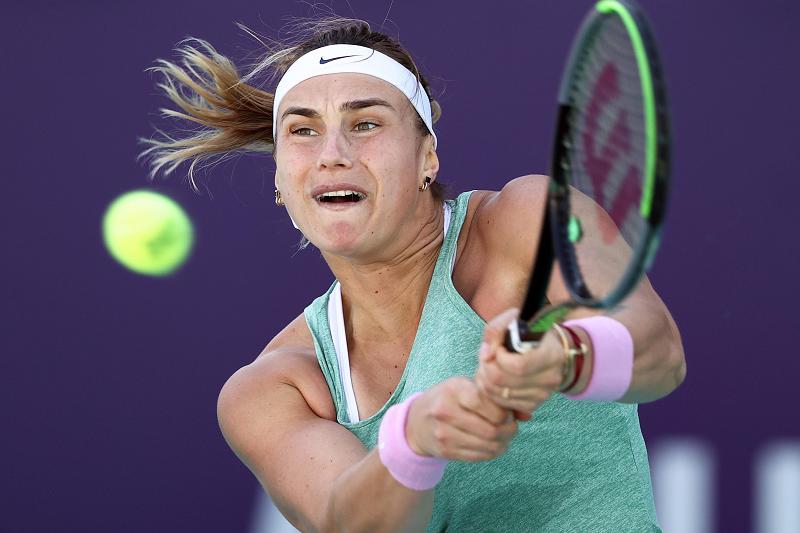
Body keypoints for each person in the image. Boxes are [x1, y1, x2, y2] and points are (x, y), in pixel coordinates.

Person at [141, 17, 685, 532]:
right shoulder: (272, 388)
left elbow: (660, 353)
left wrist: (565, 357)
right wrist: (413, 441)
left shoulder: (525, 219)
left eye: (366, 124)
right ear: (280, 180)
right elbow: (354, 524)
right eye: (303, 130)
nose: (332, 154)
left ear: (428, 156)